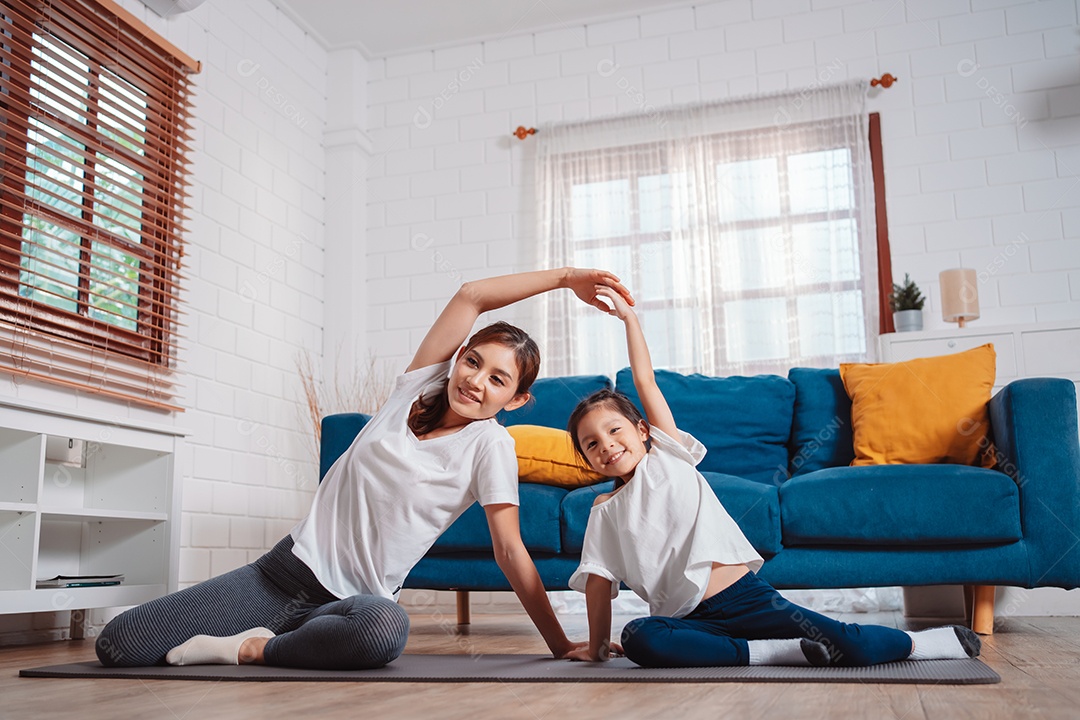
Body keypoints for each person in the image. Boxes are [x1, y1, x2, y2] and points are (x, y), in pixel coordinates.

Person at [96, 268, 633, 670]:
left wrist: (561, 643)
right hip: (280, 574)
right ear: (459, 357)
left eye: (499, 380)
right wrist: (566, 278)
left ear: (515, 400)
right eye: (474, 362)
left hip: (355, 604)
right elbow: (471, 295)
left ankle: (255, 647)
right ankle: (280, 636)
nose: (476, 382)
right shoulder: (415, 387)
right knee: (117, 644)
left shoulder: (488, 446)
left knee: (385, 630)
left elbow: (510, 550)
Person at [563, 285, 982, 668]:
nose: (606, 445)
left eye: (613, 430)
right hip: (686, 624)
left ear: (641, 431)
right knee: (640, 637)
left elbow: (645, 380)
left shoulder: (668, 456)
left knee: (844, 645)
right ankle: (765, 652)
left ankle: (928, 643)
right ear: (586, 458)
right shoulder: (603, 512)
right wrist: (598, 647)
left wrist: (629, 320)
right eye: (591, 444)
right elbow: (599, 585)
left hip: (742, 598)